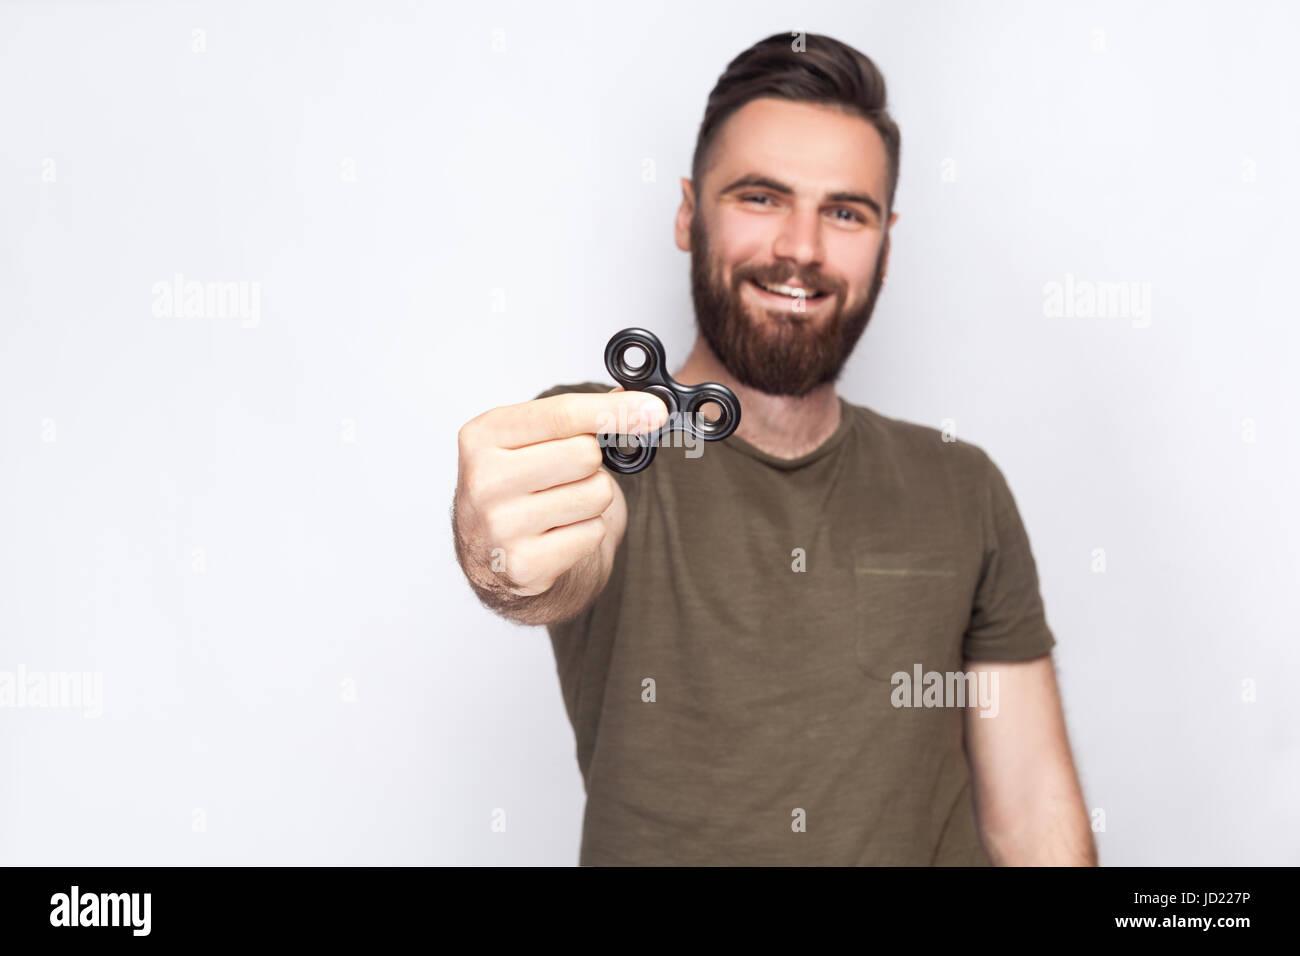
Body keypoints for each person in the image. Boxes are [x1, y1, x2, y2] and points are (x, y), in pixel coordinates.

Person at [452, 31, 1096, 866]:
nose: (801, 247)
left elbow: (1033, 813)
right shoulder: (597, 442)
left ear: (887, 243)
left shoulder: (962, 485)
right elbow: (549, 565)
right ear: (689, 214)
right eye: (761, 197)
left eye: (845, 211)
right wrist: (498, 559)